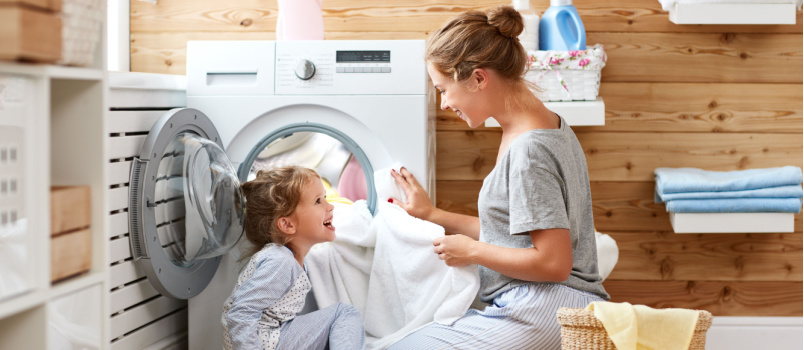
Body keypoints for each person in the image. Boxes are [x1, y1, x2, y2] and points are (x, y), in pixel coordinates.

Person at [387, 5, 609, 349]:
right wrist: (433, 215)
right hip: (552, 305)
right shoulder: (545, 125)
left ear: (478, 78)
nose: (444, 103)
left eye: (443, 89)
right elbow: (512, 235)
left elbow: (554, 264)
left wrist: (473, 252)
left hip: (545, 308)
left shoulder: (529, 149)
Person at [222, 166, 366, 350]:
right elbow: (241, 312)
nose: (330, 206)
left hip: (271, 338)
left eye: (325, 198)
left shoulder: (286, 258)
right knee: (344, 313)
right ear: (287, 224)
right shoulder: (280, 261)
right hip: (264, 343)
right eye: (318, 201)